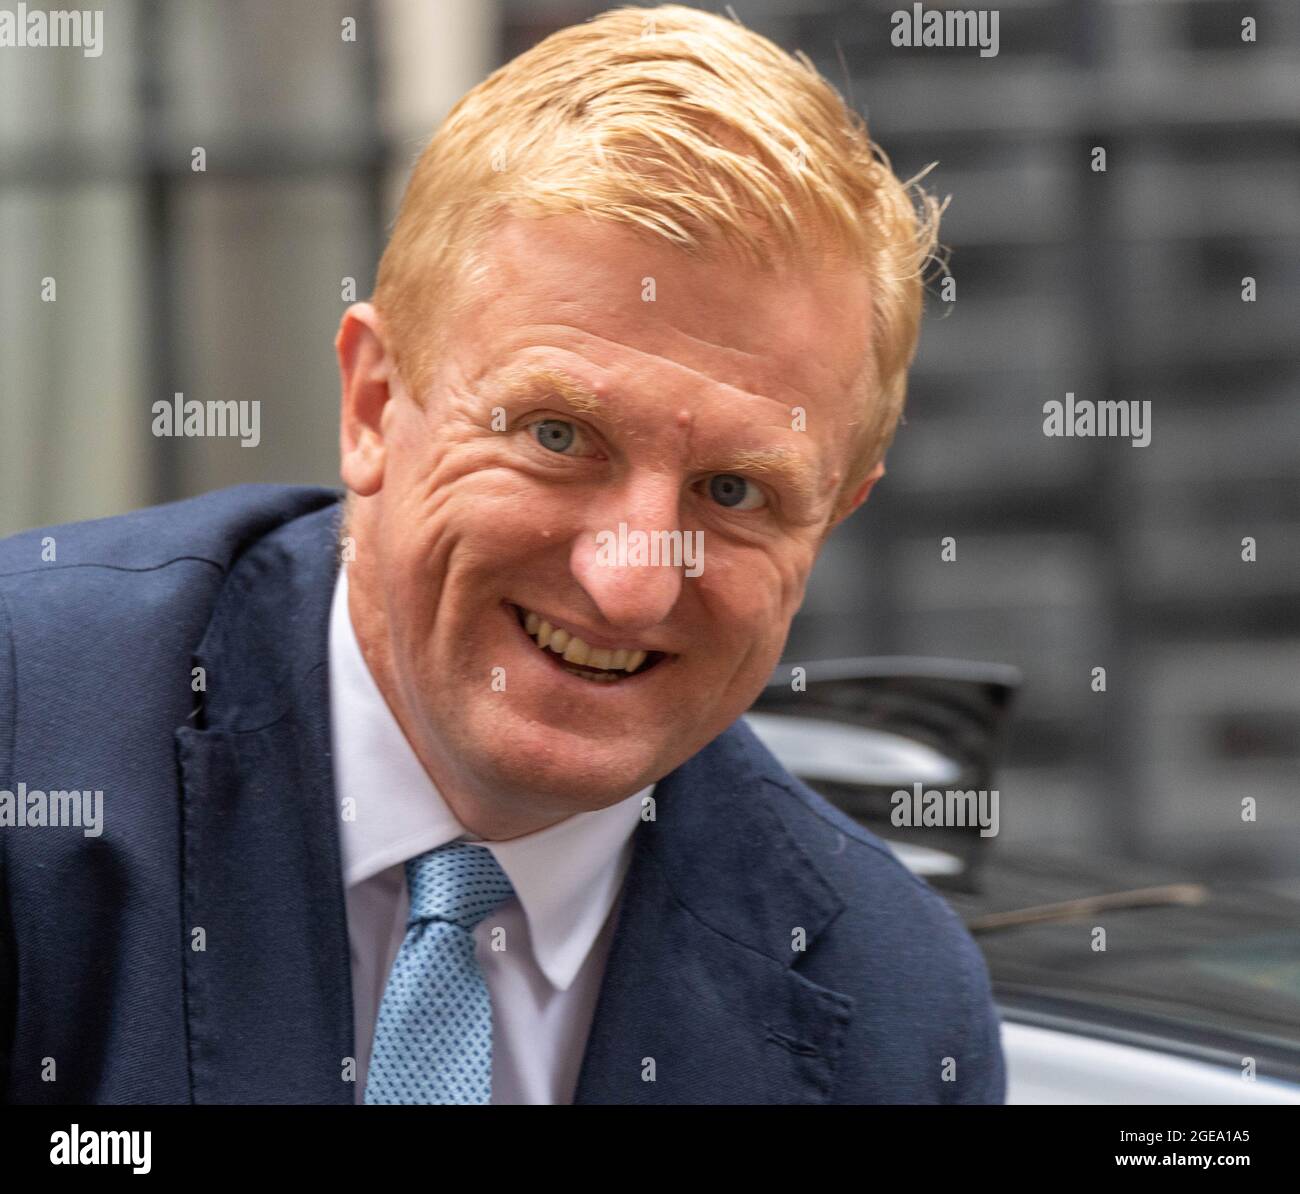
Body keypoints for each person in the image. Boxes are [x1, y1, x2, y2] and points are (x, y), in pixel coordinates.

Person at [0, 4, 1003, 1104]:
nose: (628, 584)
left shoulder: (891, 1017)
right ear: (376, 405)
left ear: (832, 517)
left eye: (733, 491)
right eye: (559, 436)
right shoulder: (28, 737)